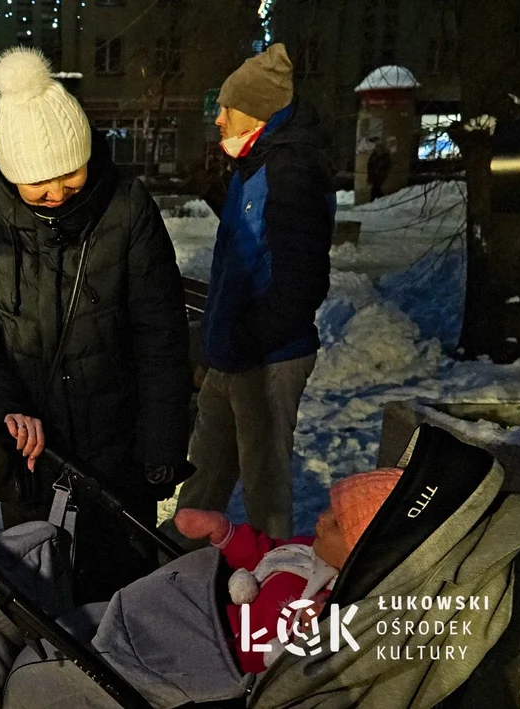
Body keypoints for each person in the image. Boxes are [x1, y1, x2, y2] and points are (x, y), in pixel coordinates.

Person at [0, 47, 191, 603]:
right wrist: (4, 405)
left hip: (118, 448)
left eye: (70, 173)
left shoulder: (126, 208)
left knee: (122, 595)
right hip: (33, 455)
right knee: (42, 597)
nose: (56, 191)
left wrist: (161, 446)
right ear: (11, 174)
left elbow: (161, 335)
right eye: (38, 182)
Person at [171, 43, 335, 545]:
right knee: (204, 468)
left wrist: (243, 341)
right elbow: (259, 245)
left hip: (266, 358)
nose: (218, 119)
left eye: (228, 109)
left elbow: (300, 283)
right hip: (236, 353)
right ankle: (178, 562)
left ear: (261, 113)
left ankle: (275, 574)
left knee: (265, 485)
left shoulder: (291, 170)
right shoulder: (261, 161)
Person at [92, 468, 403, 708]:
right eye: (329, 508)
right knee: (145, 613)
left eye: (336, 523)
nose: (321, 519)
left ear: (361, 552)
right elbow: (264, 552)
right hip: (214, 621)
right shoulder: (306, 549)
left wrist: (318, 630)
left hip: (227, 673)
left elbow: (327, 663)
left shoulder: (342, 602)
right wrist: (223, 532)